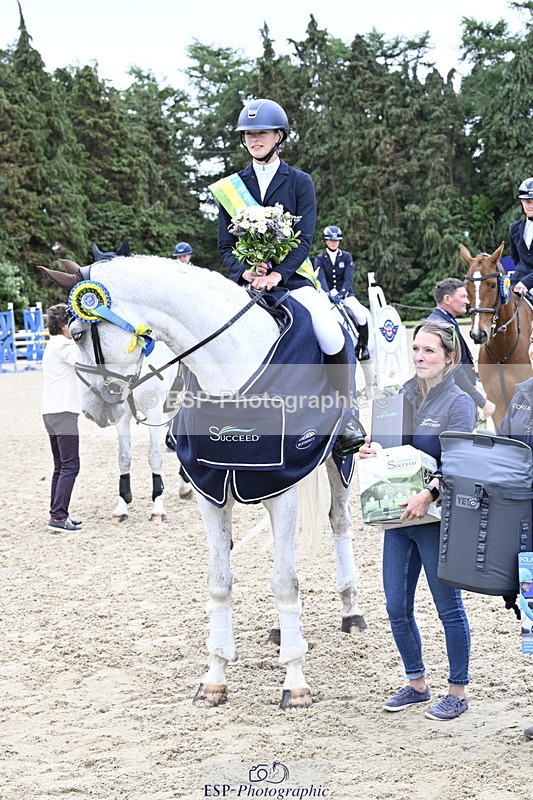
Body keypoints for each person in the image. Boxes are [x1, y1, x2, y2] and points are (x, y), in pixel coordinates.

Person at [211, 98, 365, 456]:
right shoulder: (230, 188)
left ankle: (346, 414)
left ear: (280, 136)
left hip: (293, 279)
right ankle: (193, 418)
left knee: (328, 329)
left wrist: (278, 274)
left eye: (261, 133)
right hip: (247, 282)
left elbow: (306, 238)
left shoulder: (299, 182)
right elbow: (224, 245)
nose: (254, 139)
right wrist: (244, 271)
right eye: (248, 134)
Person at [359, 321, 476, 720]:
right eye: (416, 349)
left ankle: (457, 691)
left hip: (435, 518)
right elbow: (388, 447)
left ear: (449, 356)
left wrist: (430, 494)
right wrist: (371, 452)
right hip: (397, 519)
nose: (420, 357)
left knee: (448, 609)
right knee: (395, 606)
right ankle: (416, 684)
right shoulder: (399, 396)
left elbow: (460, 461)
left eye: (429, 351)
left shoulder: (458, 402)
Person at [426, 278, 495, 419]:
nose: (468, 302)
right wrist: (482, 402)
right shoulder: (441, 326)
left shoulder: (443, 321)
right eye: (463, 296)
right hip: (452, 403)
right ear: (447, 299)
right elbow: (454, 371)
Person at [41, 304, 82, 531]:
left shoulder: (52, 345)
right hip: (63, 412)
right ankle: (58, 517)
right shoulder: (65, 346)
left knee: (61, 466)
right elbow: (84, 362)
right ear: (64, 326)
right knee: (71, 465)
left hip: (50, 411)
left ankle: (57, 512)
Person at [314, 225, 370, 360]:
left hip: (345, 294)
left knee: (361, 315)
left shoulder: (346, 257)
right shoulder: (319, 258)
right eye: (331, 240)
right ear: (325, 241)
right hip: (327, 295)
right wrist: (328, 294)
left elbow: (348, 278)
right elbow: (321, 278)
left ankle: (363, 347)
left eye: (336, 240)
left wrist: (341, 294)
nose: (334, 243)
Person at [509, 177, 533, 295]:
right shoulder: (515, 228)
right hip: (518, 281)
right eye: (528, 202)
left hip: (526, 282)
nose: (531, 206)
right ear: (522, 202)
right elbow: (516, 257)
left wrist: (527, 282)